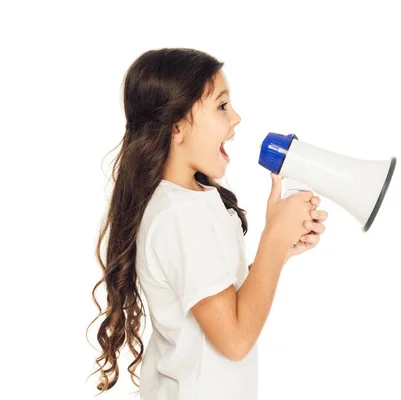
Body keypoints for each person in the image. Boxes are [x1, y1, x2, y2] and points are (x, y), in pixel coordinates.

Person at [88, 48, 328, 400]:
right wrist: (272, 244)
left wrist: (280, 248)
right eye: (221, 106)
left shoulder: (193, 199)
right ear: (178, 127)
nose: (237, 117)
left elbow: (214, 294)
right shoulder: (178, 216)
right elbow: (233, 339)